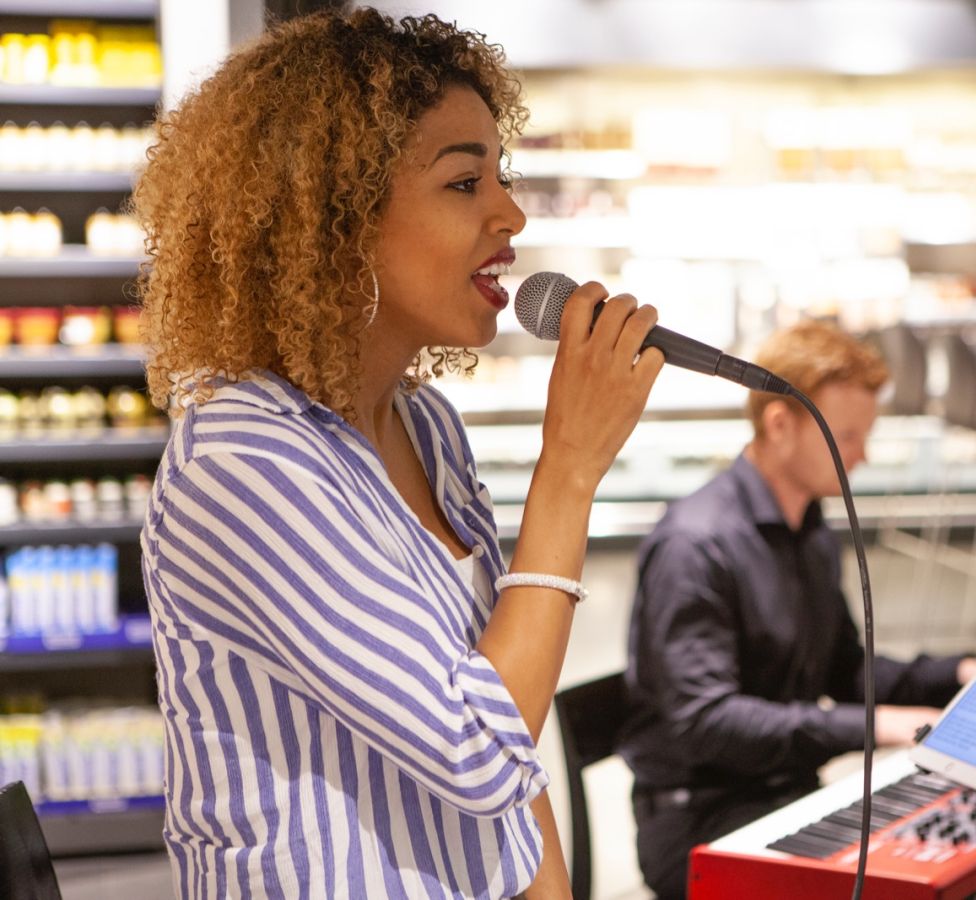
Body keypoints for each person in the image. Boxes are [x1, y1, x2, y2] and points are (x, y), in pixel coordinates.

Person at [133, 10, 662, 899]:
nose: (510, 213)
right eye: (464, 183)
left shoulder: (427, 427)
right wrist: (570, 469)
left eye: (502, 175)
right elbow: (478, 747)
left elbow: (511, 743)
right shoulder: (244, 460)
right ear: (333, 220)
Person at [617, 321, 976, 900]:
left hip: (783, 791)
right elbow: (706, 721)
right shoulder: (695, 544)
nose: (861, 456)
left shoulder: (808, 529)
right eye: (847, 437)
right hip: (701, 817)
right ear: (780, 425)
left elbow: (843, 668)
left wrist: (960, 673)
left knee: (952, 858)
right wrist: (873, 726)